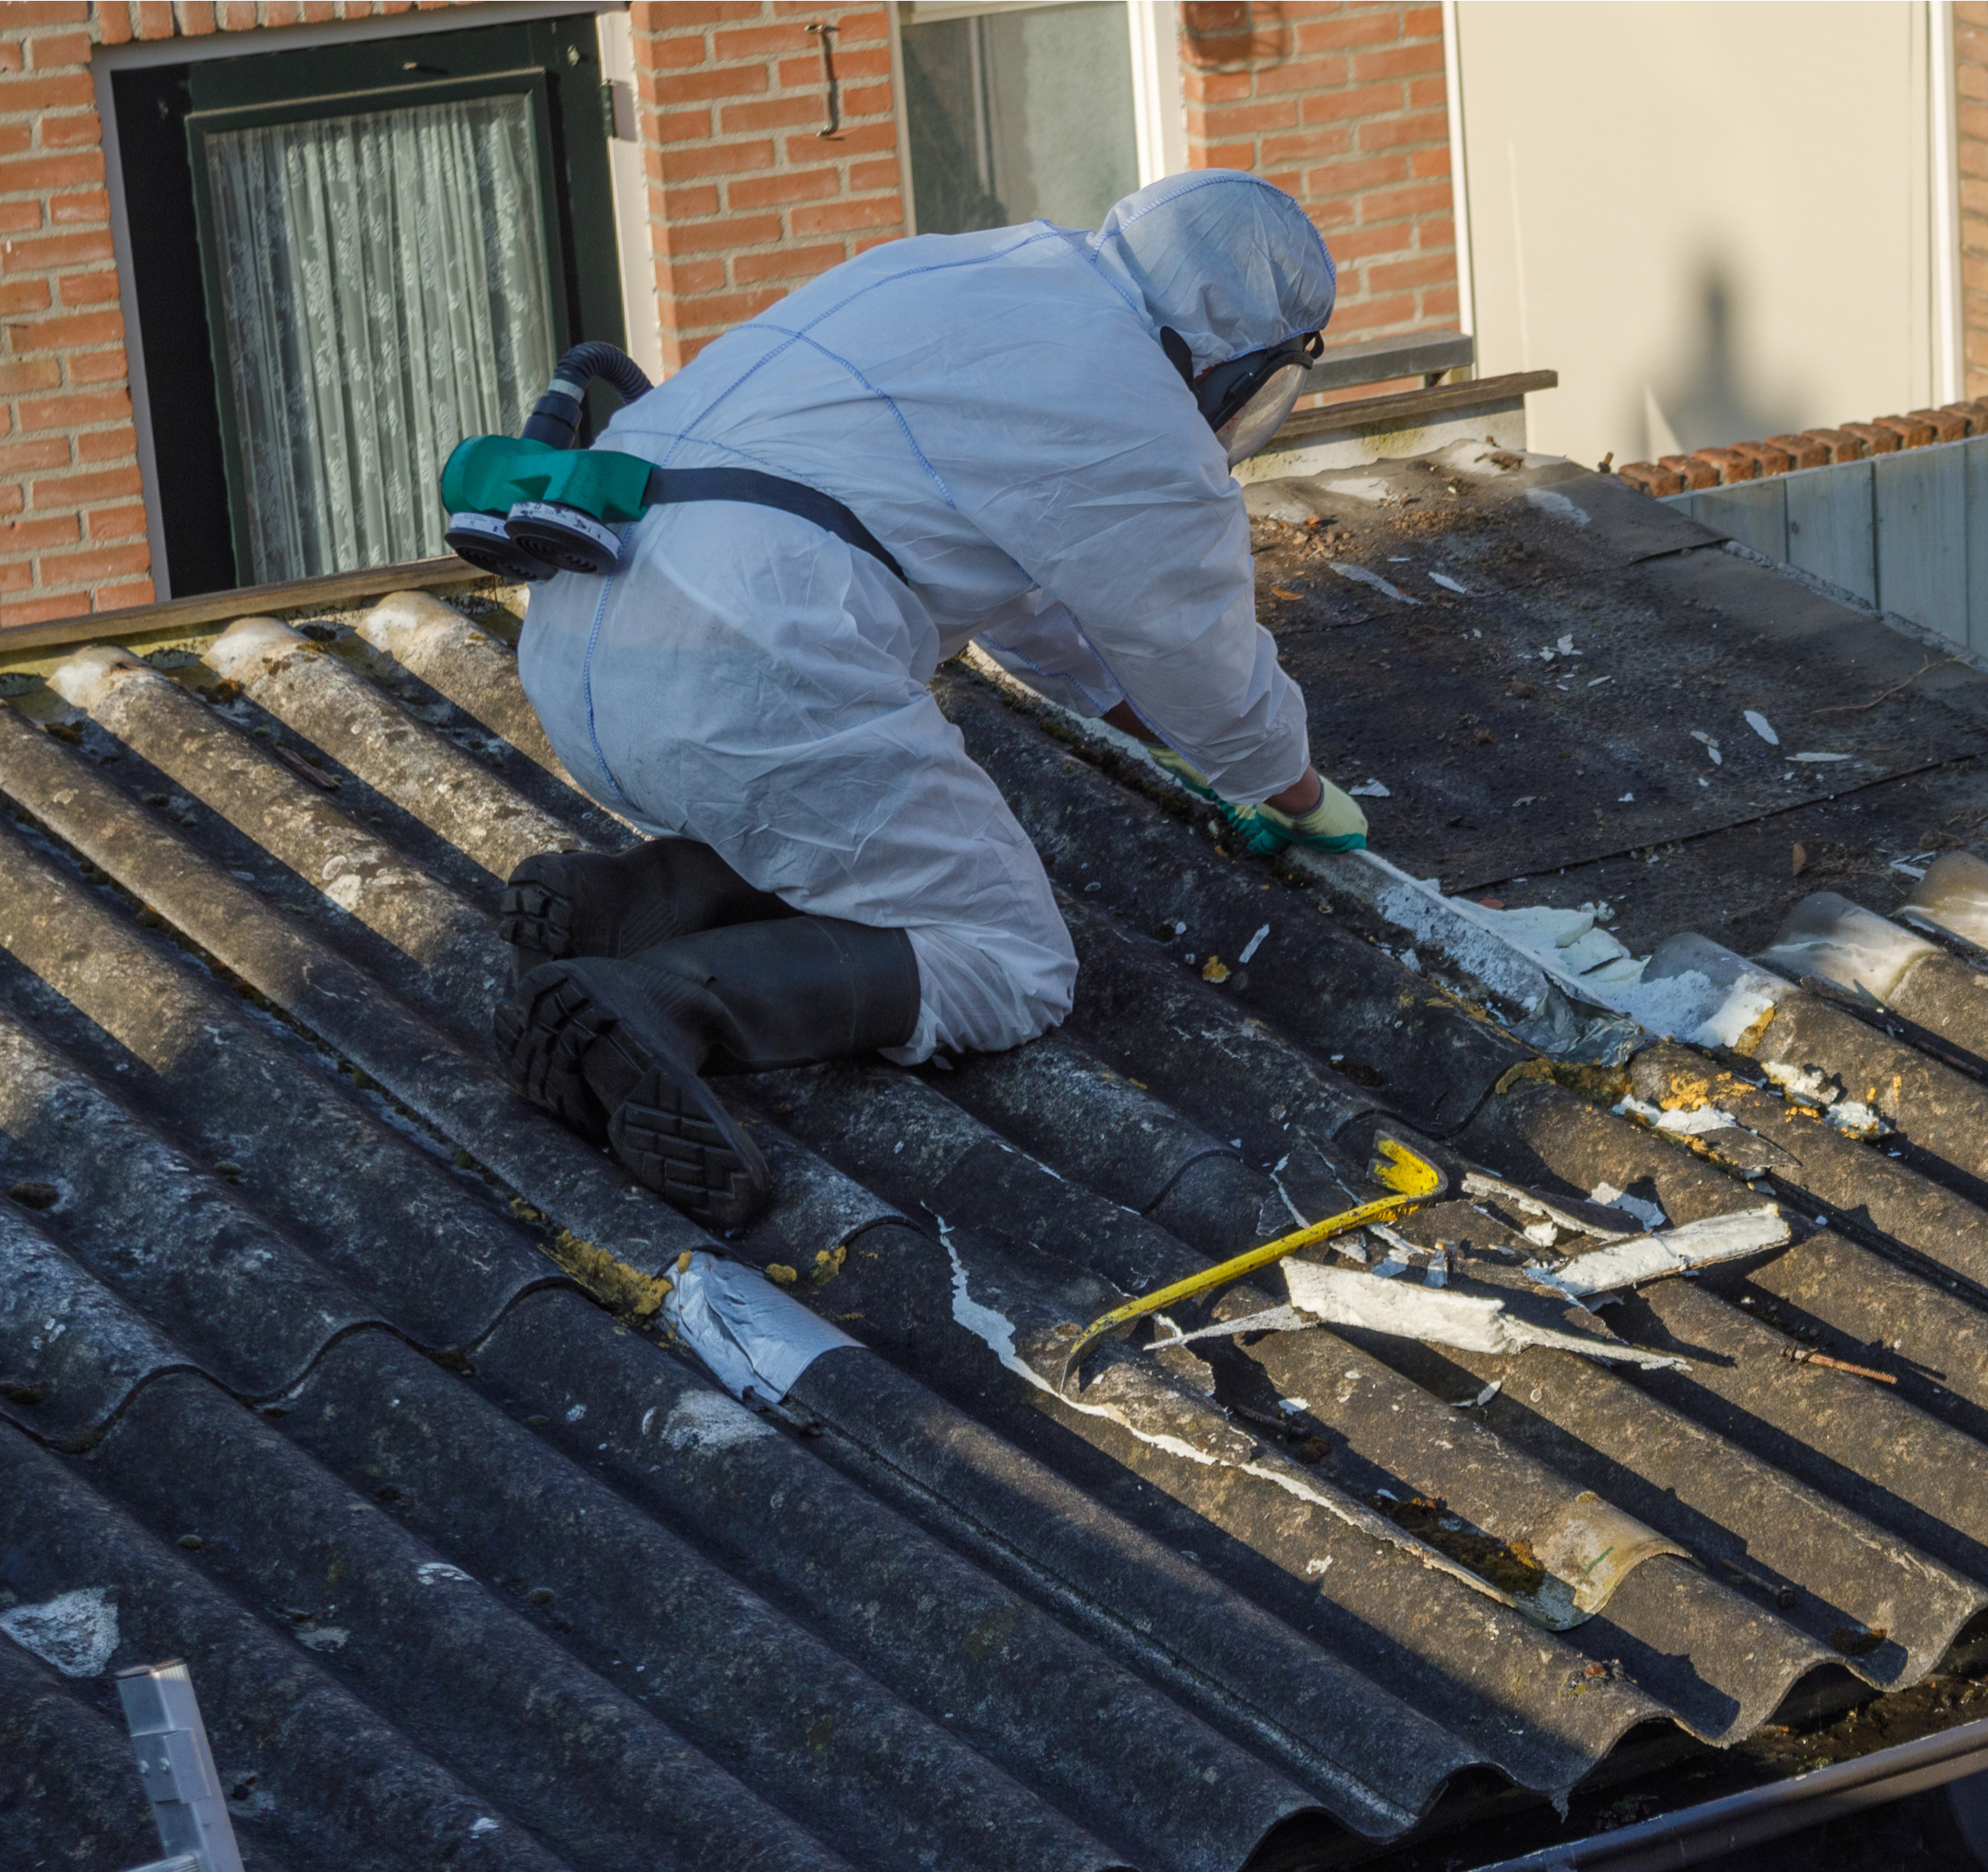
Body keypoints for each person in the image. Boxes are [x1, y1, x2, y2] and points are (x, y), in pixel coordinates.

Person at [502, 168, 1367, 1231]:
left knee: (842, 825)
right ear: (1241, 358)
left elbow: (1038, 608)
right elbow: (1198, 658)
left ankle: (632, 901)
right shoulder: (1134, 409)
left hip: (580, 635)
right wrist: (1297, 791)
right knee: (1012, 961)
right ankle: (667, 1002)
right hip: (752, 672)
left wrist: (1167, 740)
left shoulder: (962, 269)